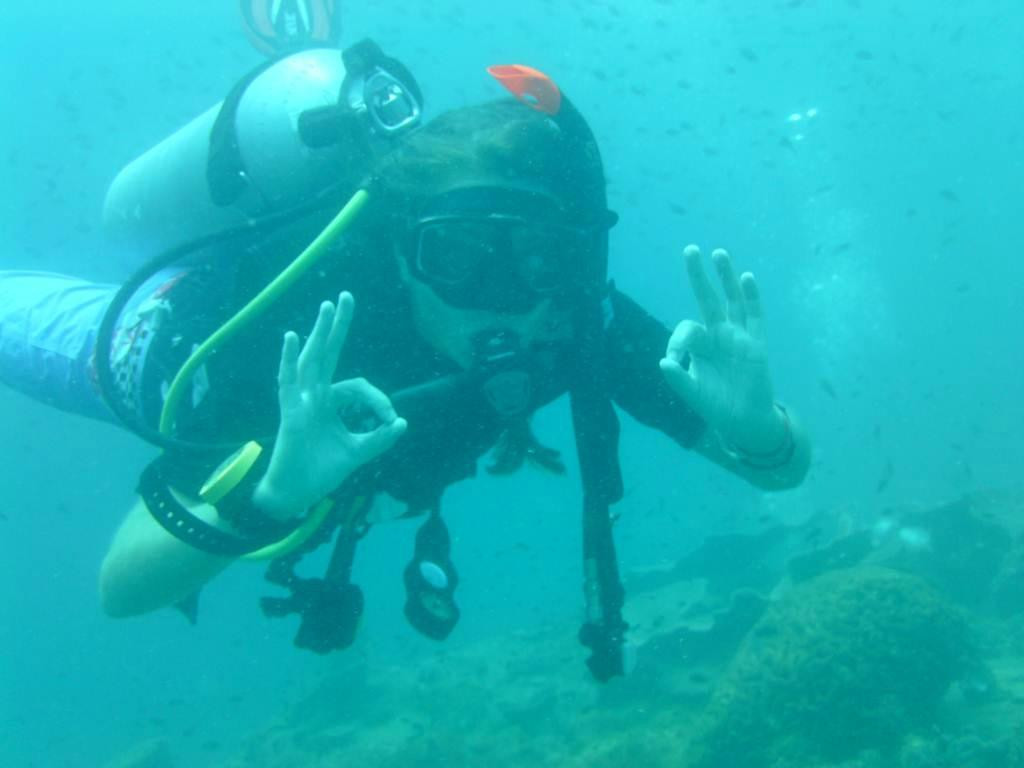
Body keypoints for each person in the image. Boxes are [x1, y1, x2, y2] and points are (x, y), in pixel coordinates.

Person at [0, 45, 810, 681]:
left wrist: (759, 432)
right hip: (148, 341)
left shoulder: (566, 315)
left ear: (571, 263)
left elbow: (782, 474)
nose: (501, 297)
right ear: (399, 252)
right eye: (456, 256)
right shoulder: (306, 340)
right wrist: (274, 493)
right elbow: (121, 587)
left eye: (537, 256)